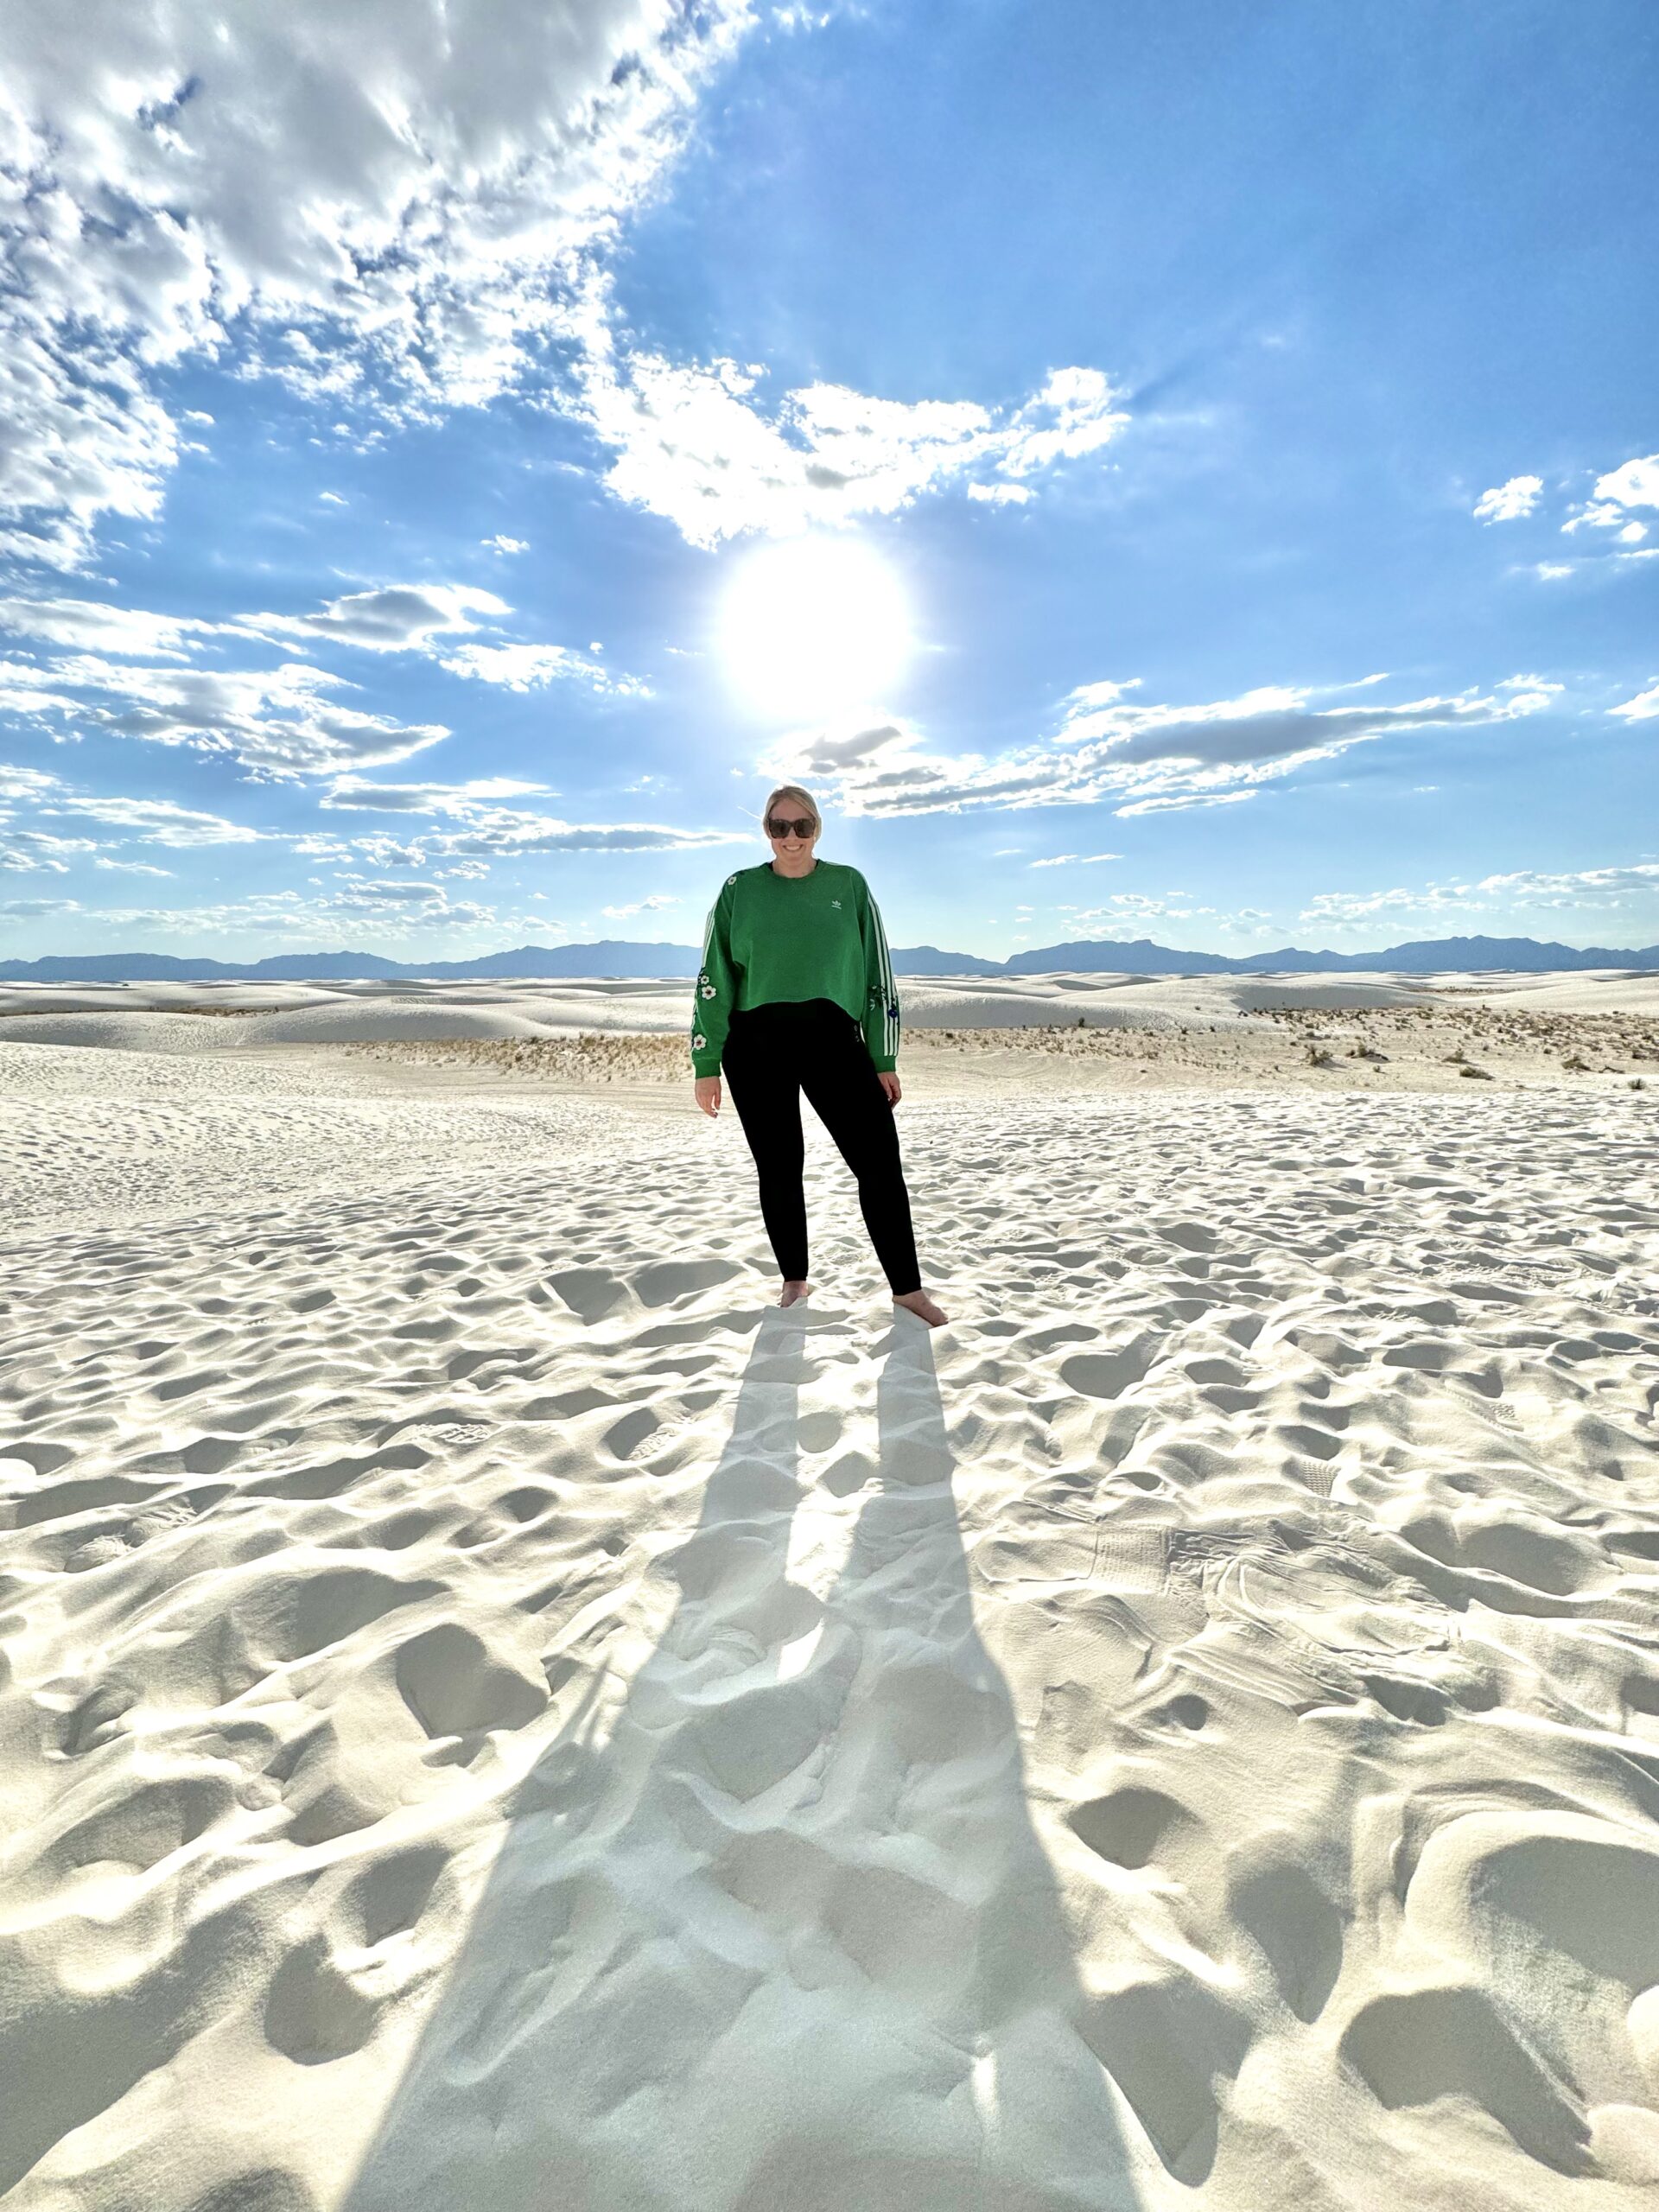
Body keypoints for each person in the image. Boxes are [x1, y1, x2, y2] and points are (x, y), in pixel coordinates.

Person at [690, 785, 948, 1328]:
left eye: (801, 826)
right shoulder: (739, 889)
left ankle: (907, 1289)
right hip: (755, 1044)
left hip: (833, 1038)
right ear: (766, 830)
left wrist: (883, 1056)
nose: (790, 837)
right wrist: (706, 1063)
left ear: (817, 829)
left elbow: (879, 973)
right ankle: (794, 1280)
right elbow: (715, 976)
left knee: (879, 1165)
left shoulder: (848, 885)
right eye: (778, 827)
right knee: (780, 1168)